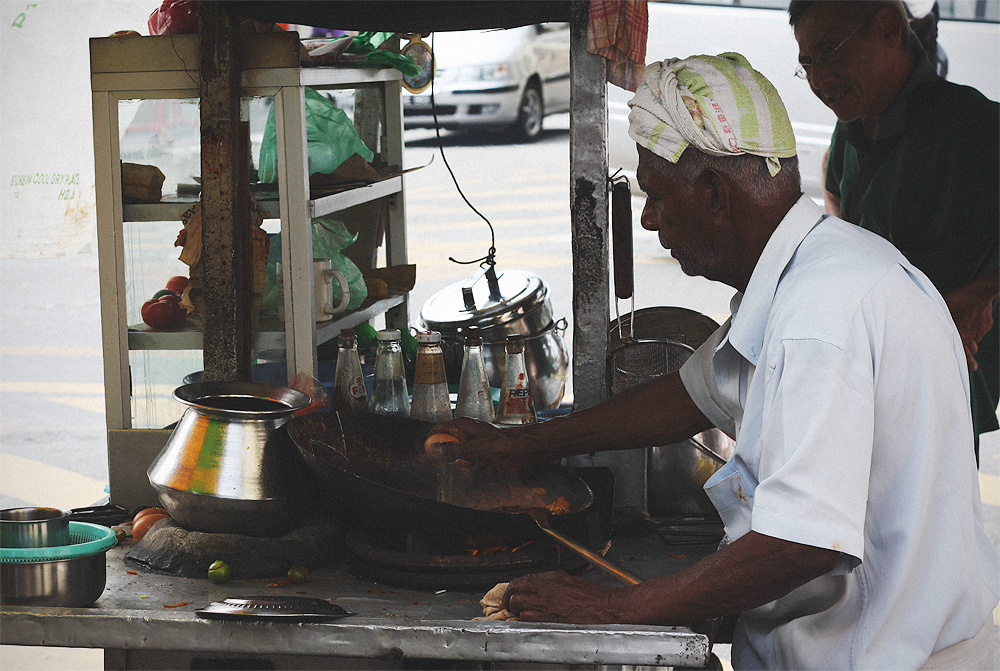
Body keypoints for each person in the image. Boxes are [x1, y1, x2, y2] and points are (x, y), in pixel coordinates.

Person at [425, 53, 999, 669]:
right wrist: (521, 445)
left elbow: (801, 543)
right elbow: (688, 395)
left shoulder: (821, 315)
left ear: (715, 193)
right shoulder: (816, 269)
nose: (648, 218)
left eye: (656, 194)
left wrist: (618, 607)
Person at [788, 0, 999, 461]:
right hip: (866, 379)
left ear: (887, 28)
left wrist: (977, 296)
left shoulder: (973, 124)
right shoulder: (853, 125)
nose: (819, 79)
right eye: (808, 64)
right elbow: (835, 190)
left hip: (941, 388)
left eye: (830, 51)